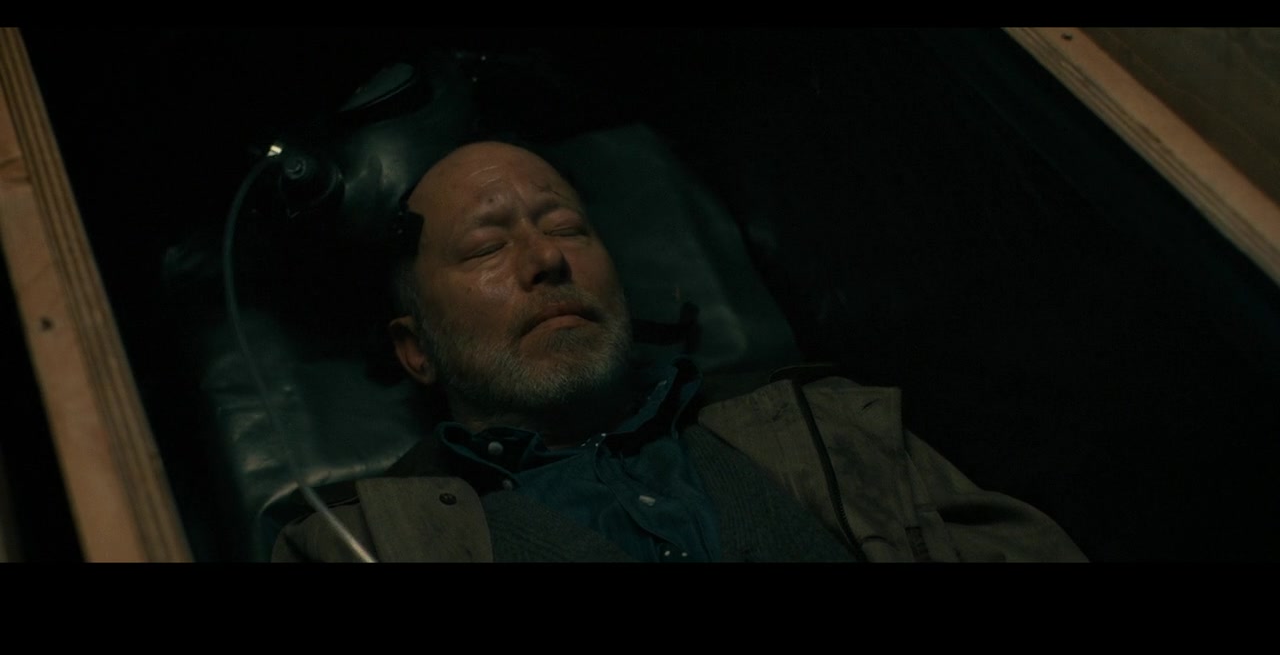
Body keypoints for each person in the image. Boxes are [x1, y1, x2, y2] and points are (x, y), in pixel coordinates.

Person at [271, 139, 1087, 563]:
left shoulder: (840, 426)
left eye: (567, 228)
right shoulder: (350, 546)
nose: (547, 258)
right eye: (487, 246)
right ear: (416, 351)